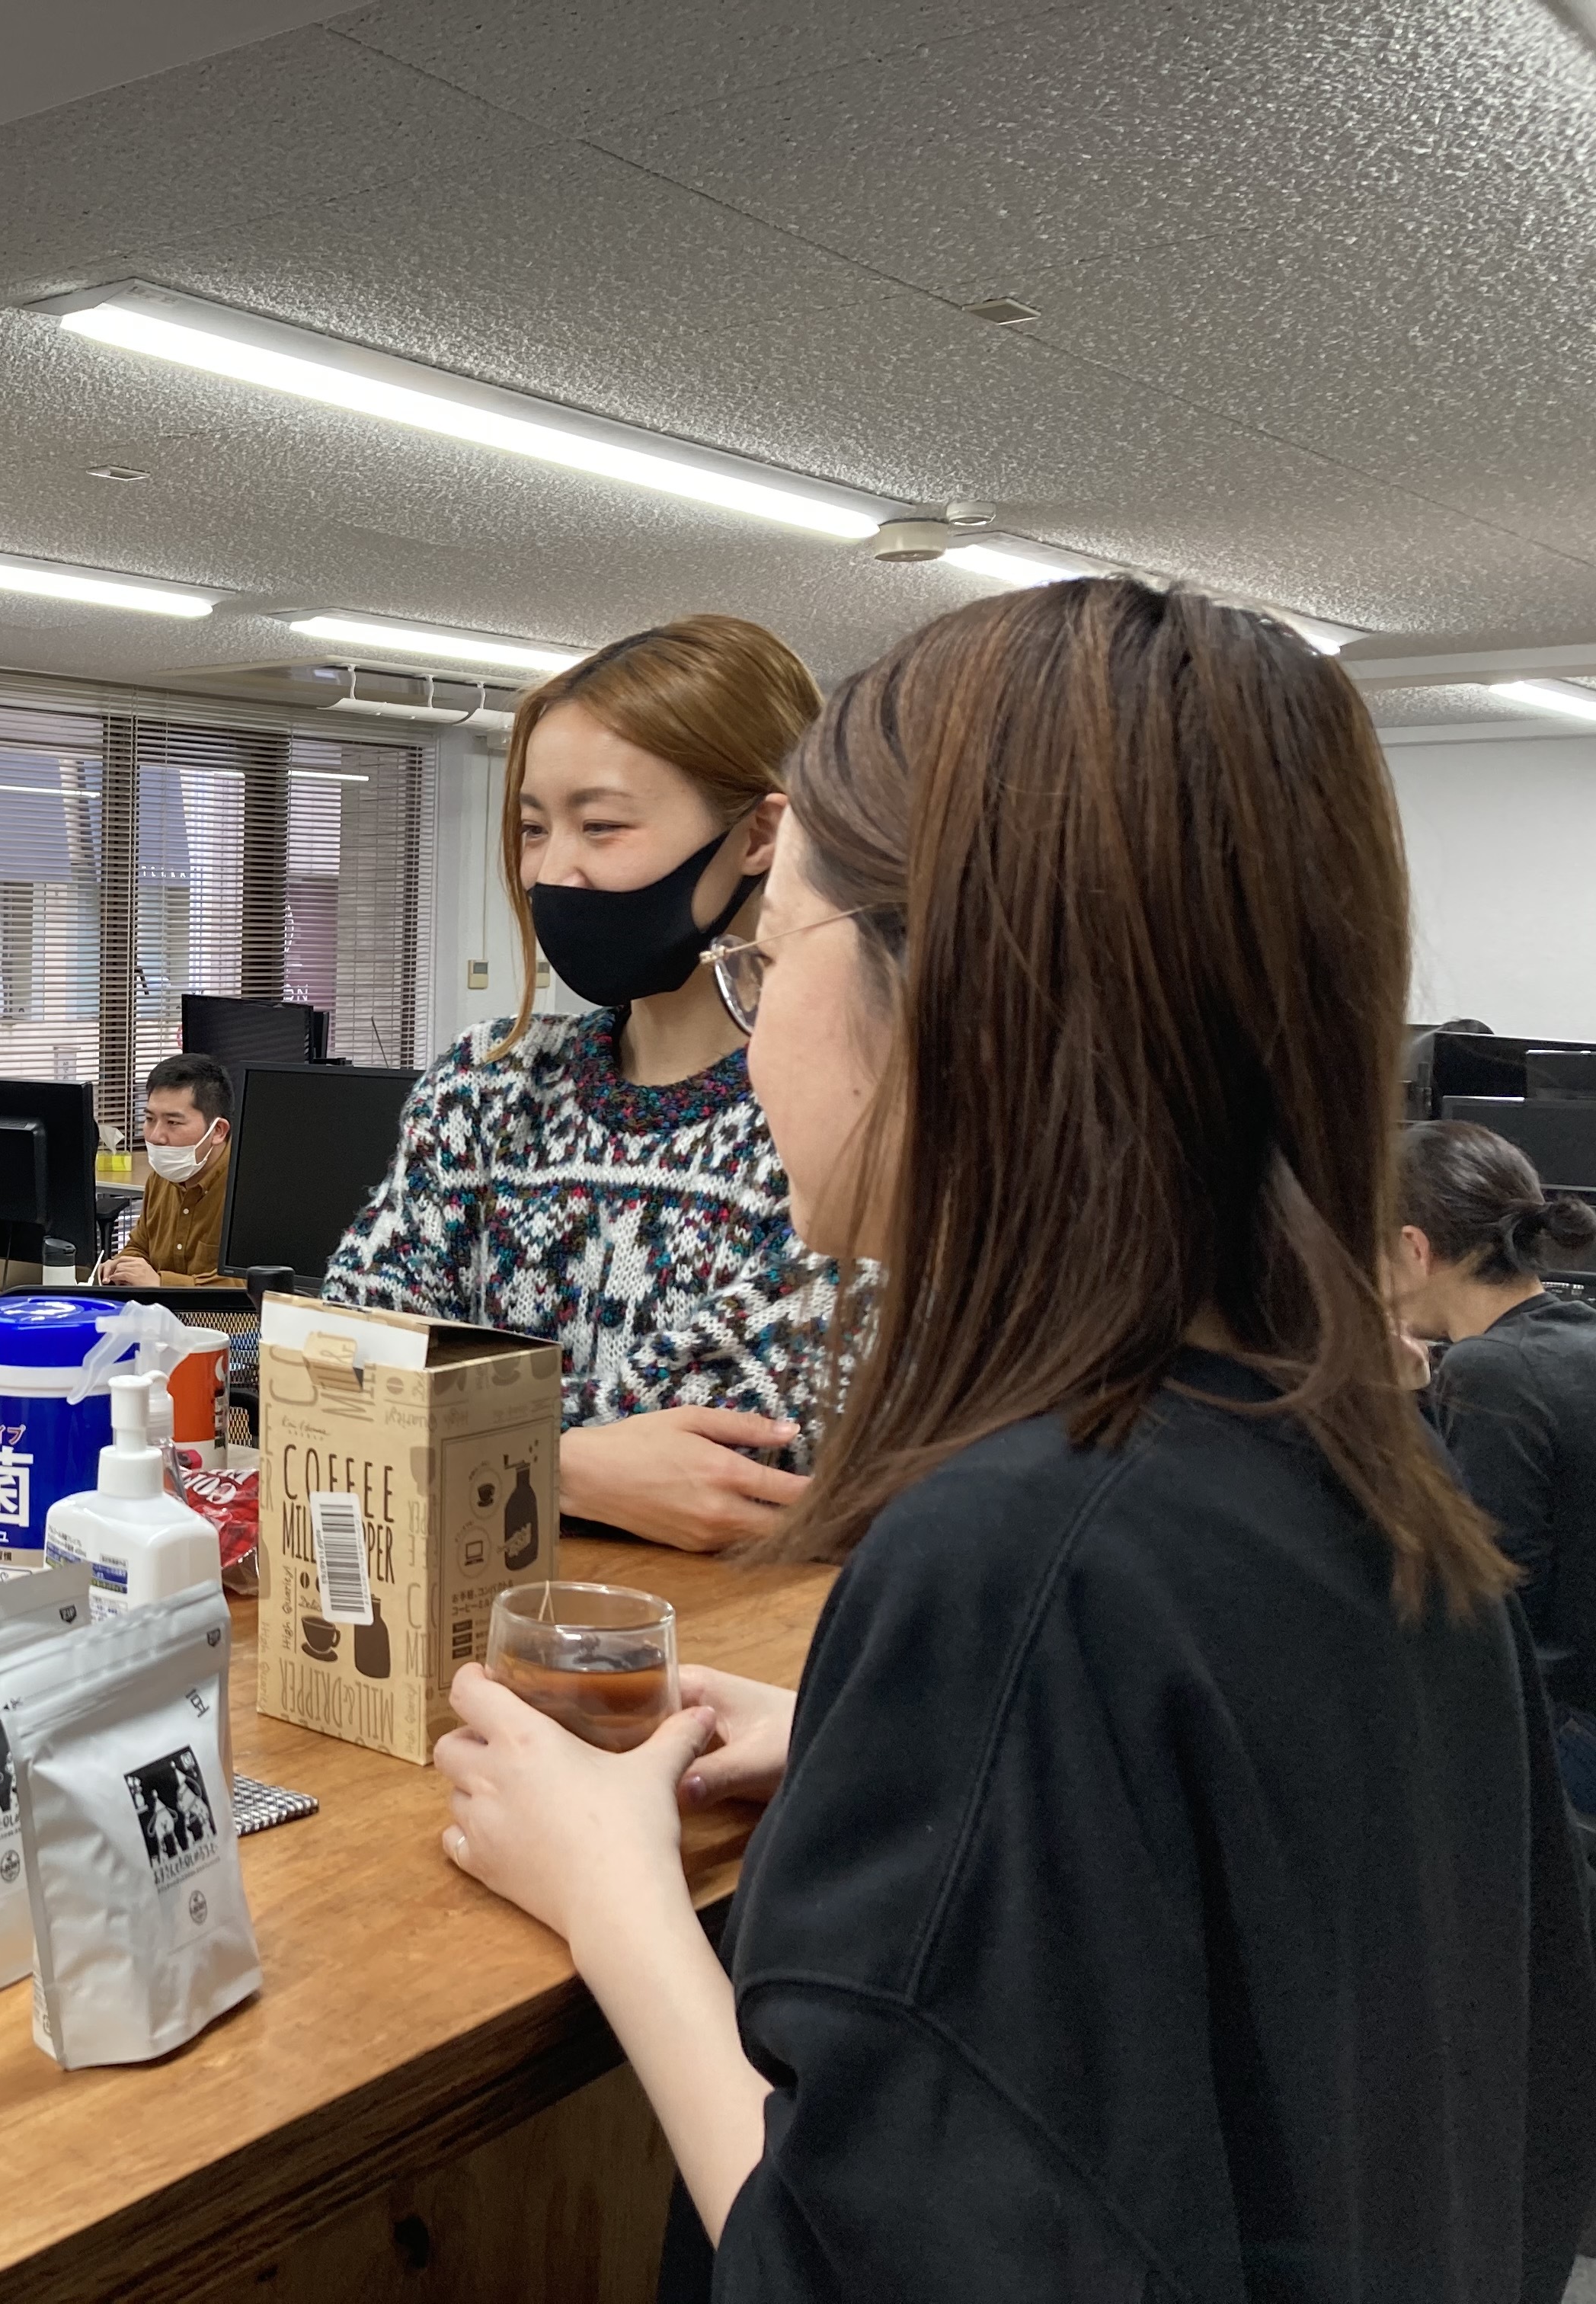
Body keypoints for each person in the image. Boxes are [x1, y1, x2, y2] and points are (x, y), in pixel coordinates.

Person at [433, 578, 1596, 2298]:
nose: (751, 1054)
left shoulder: (1016, 1556)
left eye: (771, 959)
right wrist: (879, 1737)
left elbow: (851, 2259)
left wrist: (619, 1895)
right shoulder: (1363, 1467)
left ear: (959, 988)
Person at [328, 615, 836, 1552]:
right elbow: (339, 1377)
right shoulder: (486, 1089)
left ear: (760, 833)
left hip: (722, 1658)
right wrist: (574, 1467)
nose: (552, 872)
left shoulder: (835, 1108)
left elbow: (742, 1457)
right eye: (531, 828)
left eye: (601, 826)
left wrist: (459, 1429)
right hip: (463, 1628)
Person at [1393, 1118, 1596, 1810]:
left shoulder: (1489, 1370)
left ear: (1413, 1249)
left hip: (1569, 1733)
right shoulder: (1575, 1335)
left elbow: (1485, 1601)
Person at [98, 1051, 232, 1285]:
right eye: (150, 1119)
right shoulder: (163, 1176)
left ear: (218, 1131)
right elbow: (140, 1247)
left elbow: (251, 1292)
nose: (156, 1137)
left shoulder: (250, 1191)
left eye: (173, 1123)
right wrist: (122, 1266)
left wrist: (162, 1285)